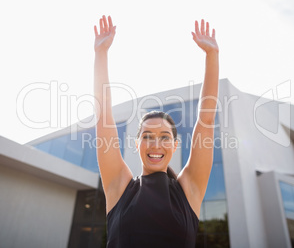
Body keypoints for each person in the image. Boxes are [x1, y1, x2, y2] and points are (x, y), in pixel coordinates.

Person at [93, 15, 219, 247]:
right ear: (136, 143)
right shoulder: (119, 186)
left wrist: (212, 56)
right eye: (147, 136)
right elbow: (103, 119)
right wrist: (101, 54)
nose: (155, 144)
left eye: (164, 137)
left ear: (175, 145)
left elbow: (206, 120)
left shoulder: (189, 190)